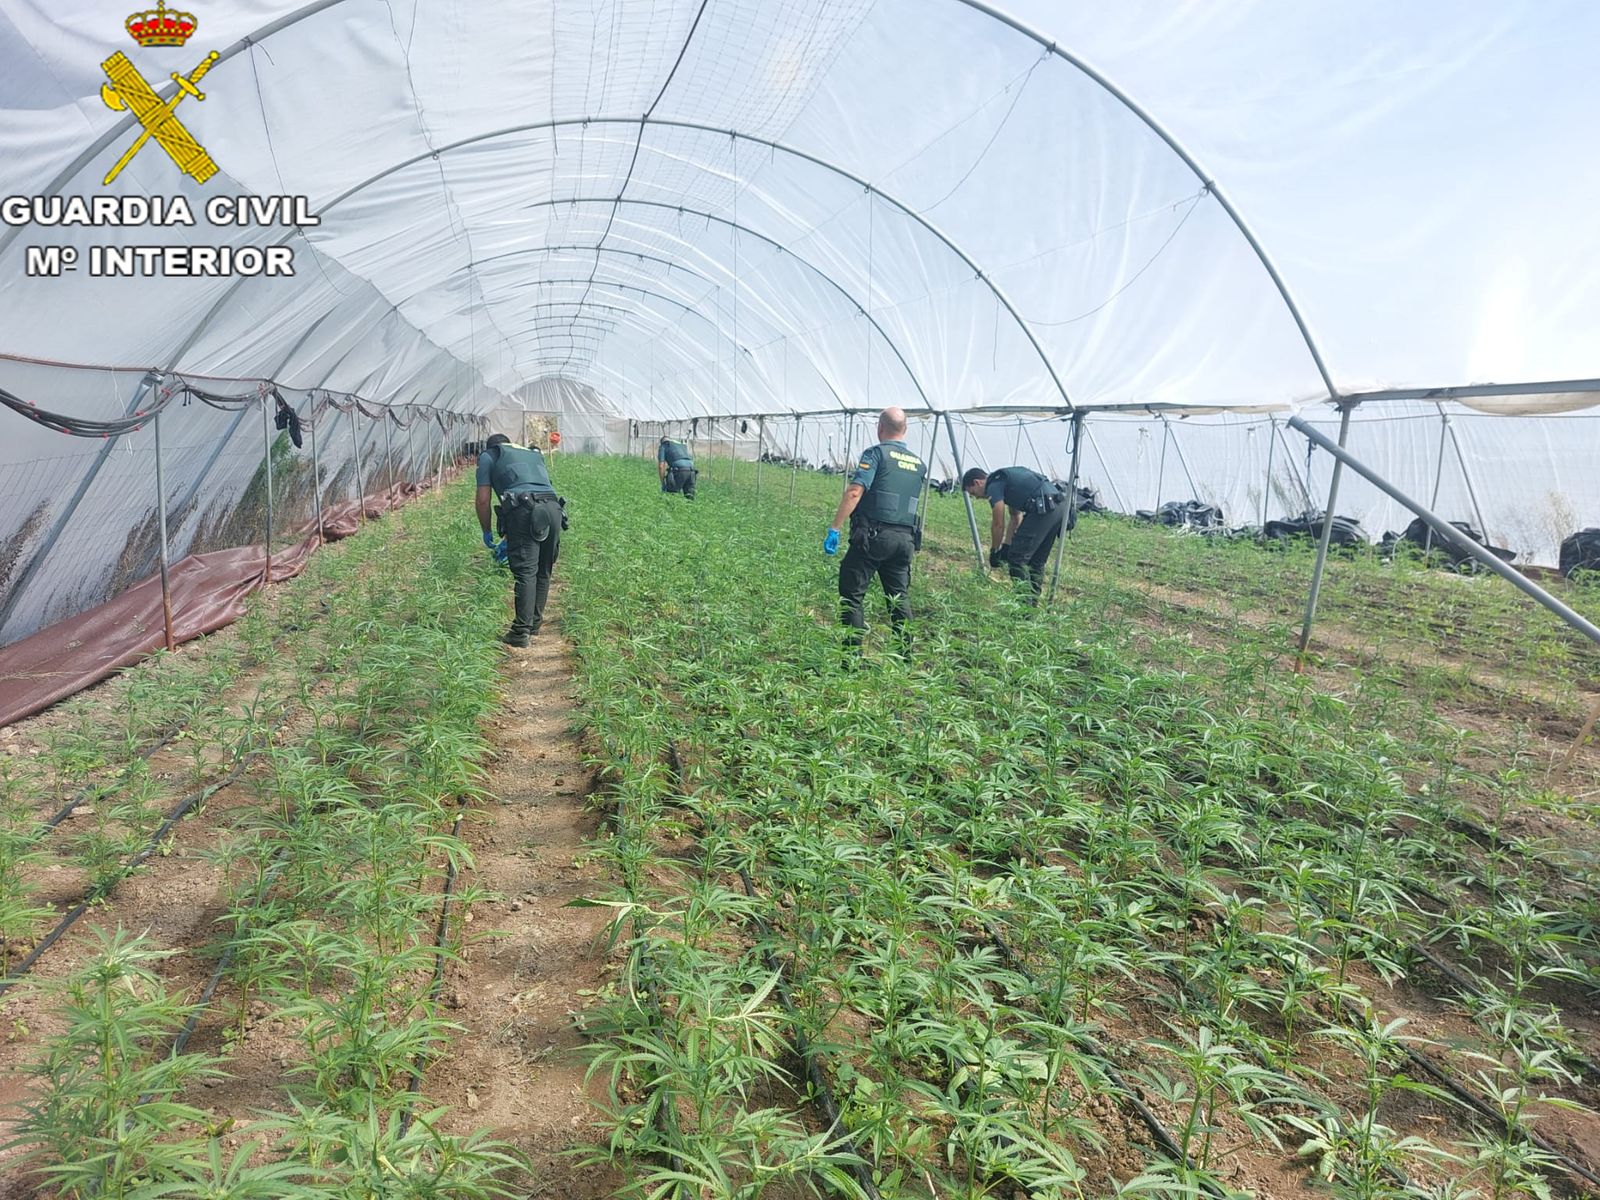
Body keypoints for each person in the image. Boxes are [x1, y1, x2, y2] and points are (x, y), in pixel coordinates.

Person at [823, 407, 928, 650]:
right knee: (898, 598)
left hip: (874, 538)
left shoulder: (876, 454)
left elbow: (854, 492)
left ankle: (851, 657)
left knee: (852, 594)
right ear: (905, 429)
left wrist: (835, 528)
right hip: (905, 541)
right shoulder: (919, 464)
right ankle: (904, 655)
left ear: (880, 428)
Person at [475, 433, 562, 647]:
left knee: (525, 571)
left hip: (526, 509)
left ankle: (520, 632)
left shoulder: (489, 456)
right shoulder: (531, 454)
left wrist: (487, 531)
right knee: (543, 568)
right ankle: (534, 625)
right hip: (554, 507)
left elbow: (483, 499)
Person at [961, 464, 1068, 602]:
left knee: (1017, 558)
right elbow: (1015, 516)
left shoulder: (993, 485)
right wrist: (1006, 546)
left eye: (974, 493)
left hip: (1044, 508)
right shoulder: (1008, 481)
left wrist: (994, 551)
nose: (976, 498)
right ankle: (1032, 605)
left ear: (978, 482)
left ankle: (1024, 606)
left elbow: (998, 523)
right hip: (1059, 507)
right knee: (1036, 561)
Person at [658, 435, 696, 499]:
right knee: (689, 497)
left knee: (671, 494)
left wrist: (663, 482)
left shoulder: (664, 446)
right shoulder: (681, 445)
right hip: (691, 470)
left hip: (679, 470)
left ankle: (671, 507)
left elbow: (661, 466)